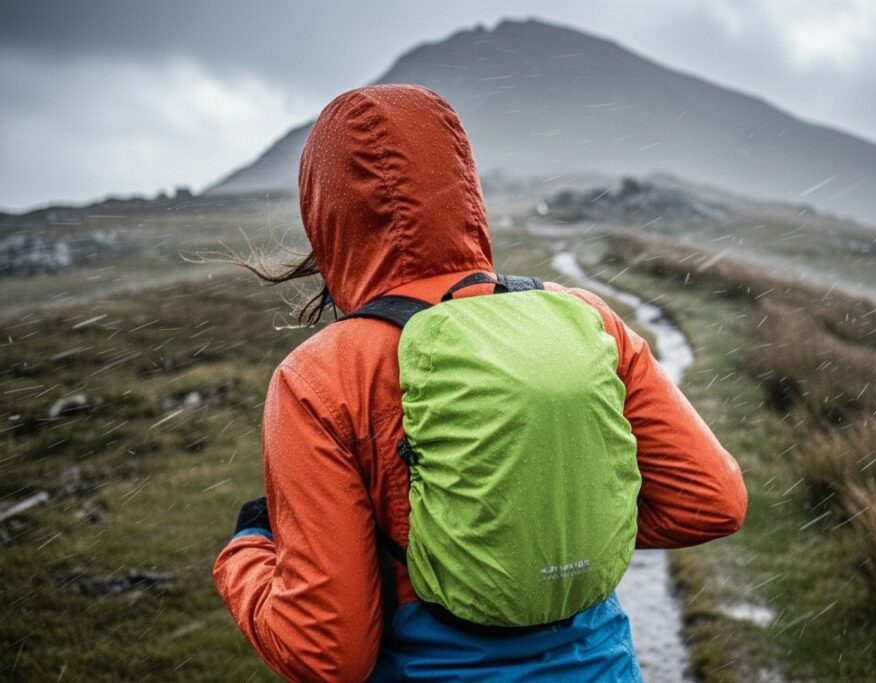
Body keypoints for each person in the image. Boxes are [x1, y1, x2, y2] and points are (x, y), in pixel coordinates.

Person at [213, 84, 748, 682]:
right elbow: (712, 502)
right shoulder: (582, 316)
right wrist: (551, 529)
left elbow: (328, 653)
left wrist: (248, 552)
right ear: (463, 186)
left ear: (328, 212)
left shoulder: (320, 376)